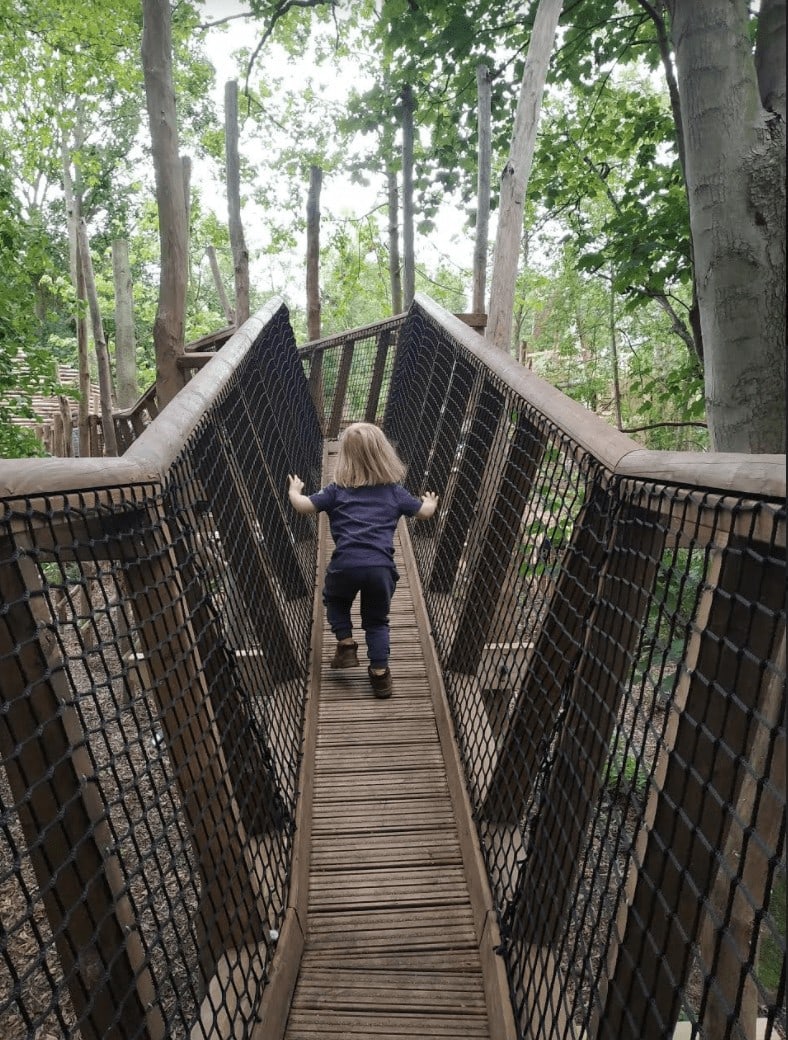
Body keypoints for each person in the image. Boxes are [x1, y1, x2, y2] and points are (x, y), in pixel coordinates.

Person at [287, 422, 438, 698]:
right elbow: (424, 513)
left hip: (345, 565)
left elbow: (303, 507)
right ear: (385, 455)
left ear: (344, 458)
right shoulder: (394, 492)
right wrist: (431, 502)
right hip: (380, 569)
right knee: (377, 621)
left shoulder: (335, 491)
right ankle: (380, 676)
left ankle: (345, 643)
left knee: (335, 600)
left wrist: (294, 492)